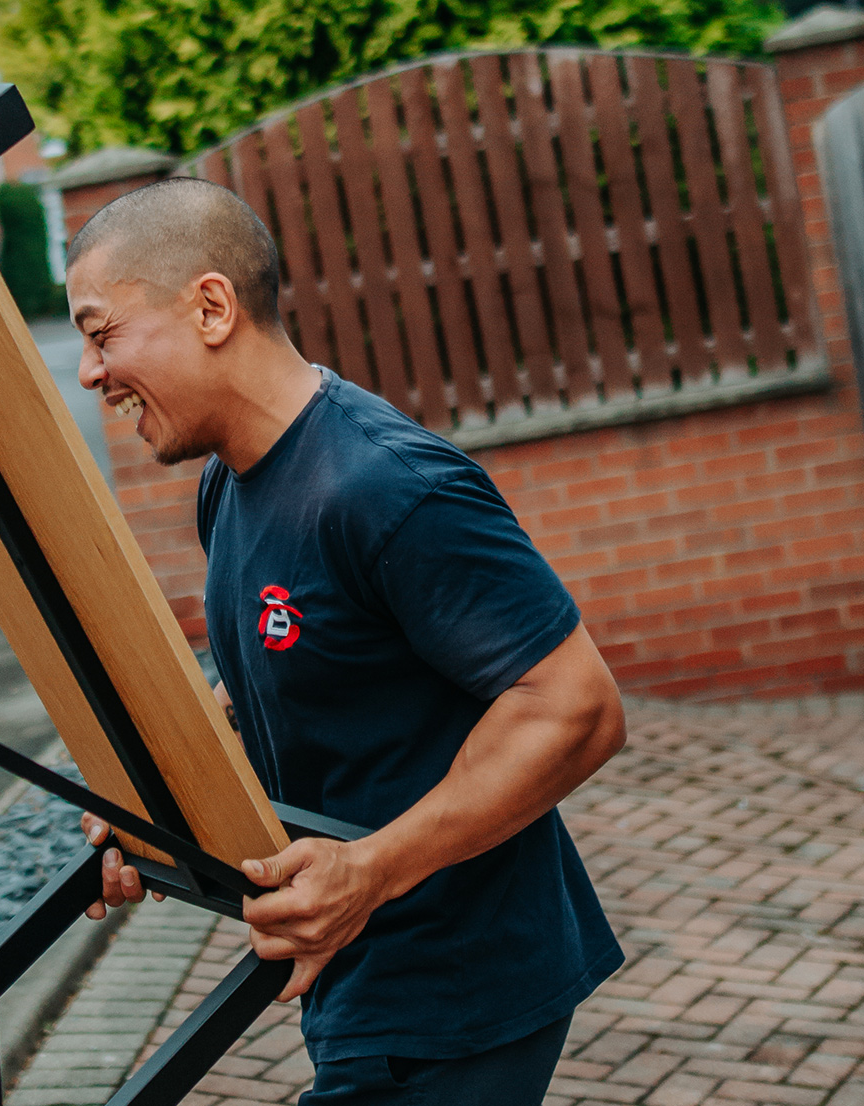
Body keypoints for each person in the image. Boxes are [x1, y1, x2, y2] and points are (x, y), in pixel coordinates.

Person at [65, 178, 628, 1104]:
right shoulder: (230, 486)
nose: (90, 372)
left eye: (101, 333)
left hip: (457, 990)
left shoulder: (387, 486)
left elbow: (577, 710)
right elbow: (267, 690)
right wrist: (159, 803)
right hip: (365, 983)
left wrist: (367, 872)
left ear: (211, 307)